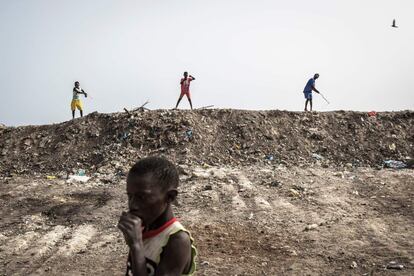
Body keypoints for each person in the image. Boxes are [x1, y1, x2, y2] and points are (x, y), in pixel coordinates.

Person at [118, 156, 197, 276]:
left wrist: (136, 245)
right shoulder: (145, 226)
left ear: (170, 197)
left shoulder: (177, 241)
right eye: (130, 196)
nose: (132, 205)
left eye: (142, 197)